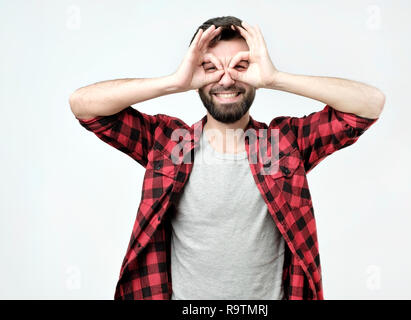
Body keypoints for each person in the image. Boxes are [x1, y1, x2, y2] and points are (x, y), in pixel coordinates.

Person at [69, 16, 385, 300]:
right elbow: (84, 105)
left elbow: (369, 105)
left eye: (241, 66)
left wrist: (275, 78)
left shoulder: (283, 144)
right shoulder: (168, 144)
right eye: (210, 68)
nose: (226, 79)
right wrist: (173, 82)